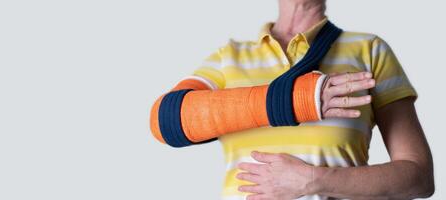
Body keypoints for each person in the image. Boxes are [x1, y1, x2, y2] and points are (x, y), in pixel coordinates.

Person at [150, 0, 434, 199]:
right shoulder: (229, 57)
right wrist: (298, 100)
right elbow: (165, 121)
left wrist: (313, 180)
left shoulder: (369, 50)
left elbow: (418, 178)